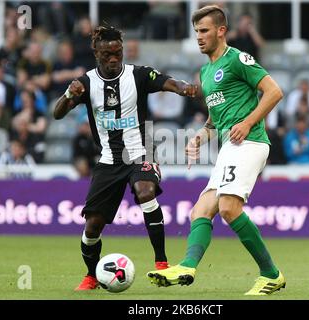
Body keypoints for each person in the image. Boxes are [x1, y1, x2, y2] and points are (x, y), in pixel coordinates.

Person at [146, 5, 286, 296]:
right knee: (201, 209)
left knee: (227, 208)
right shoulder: (206, 71)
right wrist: (199, 137)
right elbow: (215, 119)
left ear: (221, 31)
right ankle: (187, 266)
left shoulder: (238, 59)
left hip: (250, 143)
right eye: (196, 31)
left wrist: (247, 123)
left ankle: (271, 274)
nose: (199, 37)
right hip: (229, 148)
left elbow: (274, 91)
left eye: (205, 30)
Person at [53, 24, 197, 291]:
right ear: (96, 53)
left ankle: (162, 263)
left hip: (141, 149)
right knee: (93, 225)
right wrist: (68, 94)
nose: (113, 59)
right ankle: (91, 276)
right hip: (109, 158)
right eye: (107, 54)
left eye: (117, 53)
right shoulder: (86, 83)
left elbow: (169, 82)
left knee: (145, 192)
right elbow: (57, 114)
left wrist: (184, 88)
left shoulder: (139, 75)